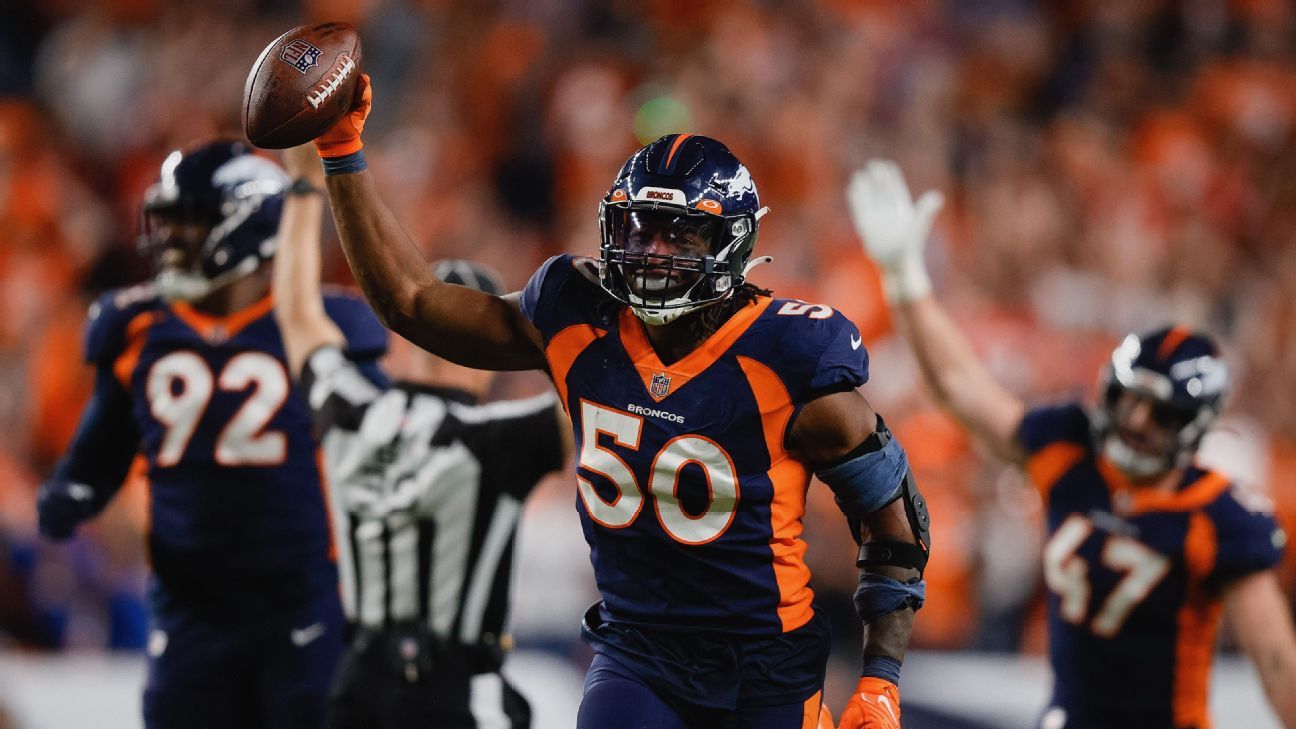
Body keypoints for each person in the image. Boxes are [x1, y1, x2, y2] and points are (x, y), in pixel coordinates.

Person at [277, 73, 934, 729]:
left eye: (680, 235)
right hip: (637, 654)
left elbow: (896, 523)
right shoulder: (575, 316)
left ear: (731, 243)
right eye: (639, 230)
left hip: (764, 670)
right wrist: (342, 152)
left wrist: (881, 679)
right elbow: (412, 302)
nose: (653, 252)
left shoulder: (788, 356)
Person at [846, 160, 1296, 729]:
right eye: (1129, 399)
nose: (1136, 421)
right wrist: (905, 279)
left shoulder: (1219, 514)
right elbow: (960, 387)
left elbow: (1277, 662)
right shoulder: (1070, 448)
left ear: (1194, 425)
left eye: (1159, 413)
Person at [35, 140, 388, 729]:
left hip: (300, 601)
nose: (170, 238)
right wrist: (76, 486)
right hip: (189, 607)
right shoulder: (137, 326)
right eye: (169, 222)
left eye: (189, 222)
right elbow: (104, 444)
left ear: (249, 227)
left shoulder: (322, 325)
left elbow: (379, 440)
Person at [271, 143, 572, 728]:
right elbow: (607, 396)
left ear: (406, 343)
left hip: (359, 684)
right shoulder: (498, 437)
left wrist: (305, 187)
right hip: (457, 693)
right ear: (489, 359)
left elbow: (296, 314)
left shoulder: (351, 411)